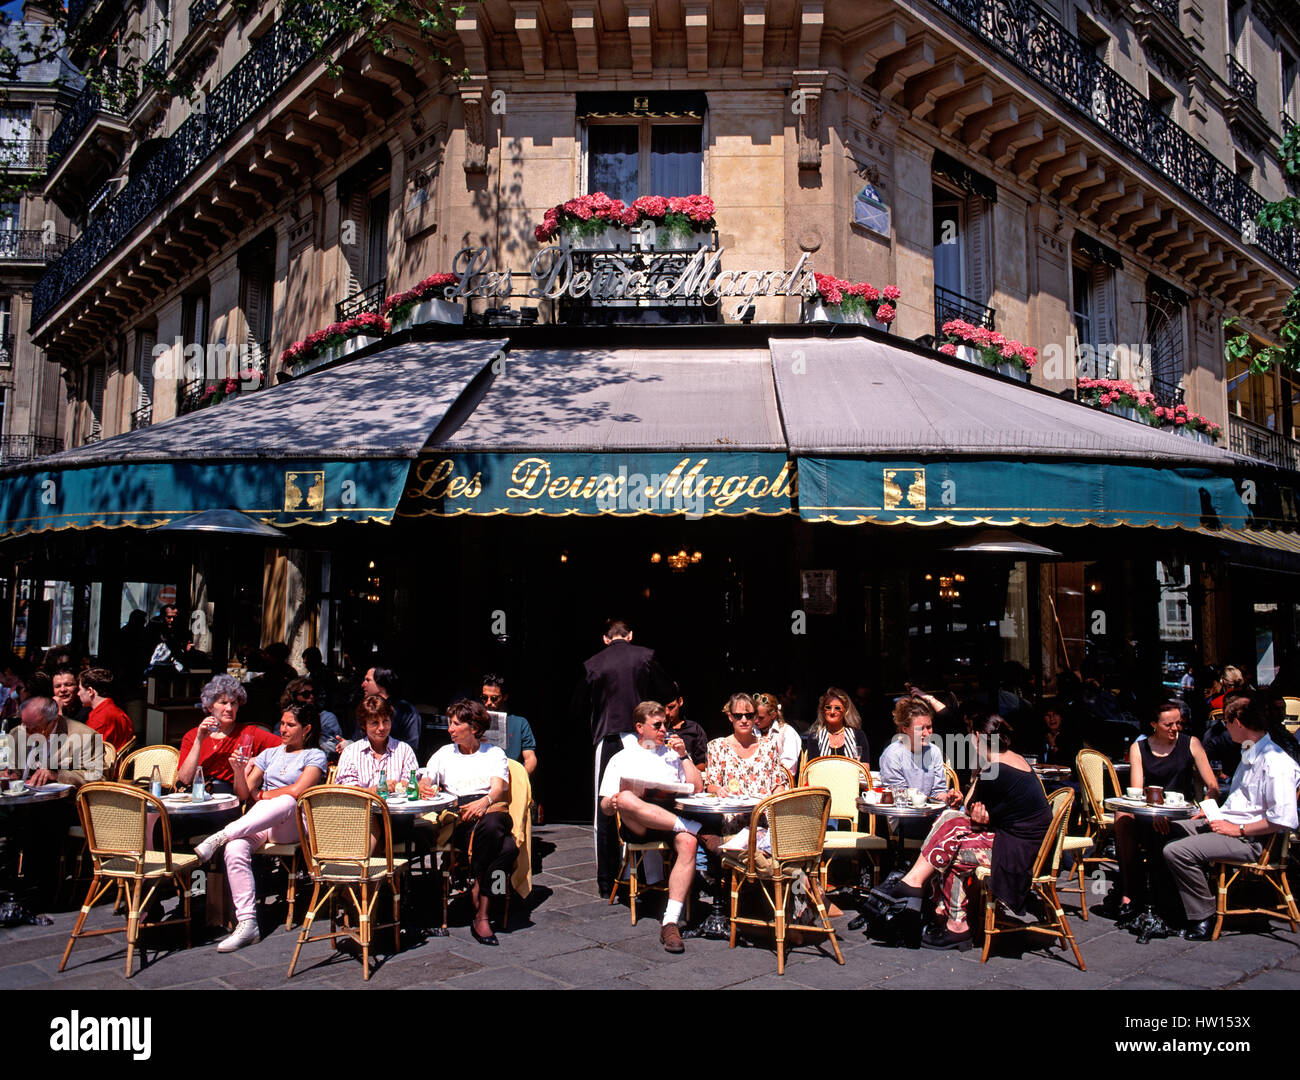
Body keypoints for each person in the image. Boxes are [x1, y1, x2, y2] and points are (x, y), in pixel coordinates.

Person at [880, 715, 1050, 951]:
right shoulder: (1013, 760)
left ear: (978, 737)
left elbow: (970, 809)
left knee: (952, 848)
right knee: (952, 820)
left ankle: (949, 918)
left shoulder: (995, 771)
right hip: (1020, 843)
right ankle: (936, 904)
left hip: (1015, 852)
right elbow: (974, 815)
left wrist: (976, 772)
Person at [1162, 694, 1300, 940]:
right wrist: (1212, 812)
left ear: (1238, 722)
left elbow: (1283, 818)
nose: (1225, 728)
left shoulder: (1275, 762)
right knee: (1170, 829)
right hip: (1233, 824)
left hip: (1254, 839)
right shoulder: (1250, 752)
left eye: (1227, 722)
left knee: (1176, 851)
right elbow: (1242, 801)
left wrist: (1239, 830)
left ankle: (1203, 915)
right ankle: (1174, 904)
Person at [193, 703, 326, 952]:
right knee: (234, 849)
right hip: (261, 821)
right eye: (282, 723)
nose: (283, 729)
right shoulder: (270, 754)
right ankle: (247, 922)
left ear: (306, 729)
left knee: (286, 800)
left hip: (293, 824)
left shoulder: (314, 755)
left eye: (291, 725)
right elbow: (244, 793)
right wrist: (238, 771)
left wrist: (263, 795)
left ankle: (219, 836)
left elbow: (297, 791)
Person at [574, 618, 675, 895]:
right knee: (647, 798)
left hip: (607, 739)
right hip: (640, 736)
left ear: (606, 639)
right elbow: (669, 691)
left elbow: (578, 704)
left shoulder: (593, 663)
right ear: (629, 635)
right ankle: (651, 876)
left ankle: (607, 882)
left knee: (606, 807)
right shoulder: (646, 656)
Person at [598, 701, 703, 954]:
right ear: (639, 727)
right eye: (657, 725)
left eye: (665, 724)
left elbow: (697, 788)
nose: (663, 730)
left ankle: (670, 921)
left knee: (689, 842)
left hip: (666, 819)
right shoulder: (621, 758)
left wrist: (684, 755)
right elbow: (604, 806)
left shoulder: (671, 754)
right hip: (638, 823)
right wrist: (612, 804)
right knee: (624, 798)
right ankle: (685, 825)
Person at [417, 699, 518, 946]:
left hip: (491, 808)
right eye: (450, 723)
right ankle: (486, 906)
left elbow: (497, 788)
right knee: (508, 849)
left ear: (473, 727)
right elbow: (426, 779)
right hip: (460, 815)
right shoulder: (444, 754)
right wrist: (423, 787)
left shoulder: (493, 753)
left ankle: (477, 888)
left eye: (455, 723)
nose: (449, 729)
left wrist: (483, 803)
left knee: (493, 825)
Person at [1108, 700, 1220, 923]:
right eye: (1168, 724)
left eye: (1178, 723)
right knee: (1122, 818)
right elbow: (1136, 793)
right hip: (1150, 812)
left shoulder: (1191, 743)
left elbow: (1213, 787)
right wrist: (1155, 815)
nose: (1175, 729)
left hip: (1182, 813)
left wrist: (1205, 809)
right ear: (1153, 724)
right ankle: (1129, 891)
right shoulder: (1139, 748)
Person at [0, 697, 103, 907]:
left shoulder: (83, 736)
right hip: (21, 801)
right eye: (25, 726)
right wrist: (8, 773)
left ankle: (39, 892)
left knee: (41, 818)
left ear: (52, 720)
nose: (27, 733)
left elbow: (97, 778)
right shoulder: (18, 733)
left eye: (34, 728)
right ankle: (8, 884)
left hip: (65, 805)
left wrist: (58, 775)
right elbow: (11, 767)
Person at [176, 675, 280, 795]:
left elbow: (286, 748)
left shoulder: (249, 733)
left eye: (234, 703)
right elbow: (185, 779)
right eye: (223, 702)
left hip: (228, 797)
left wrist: (256, 760)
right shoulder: (192, 735)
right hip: (195, 796)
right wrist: (199, 740)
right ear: (210, 706)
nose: (229, 708)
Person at [704, 694, 788, 798]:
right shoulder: (717, 747)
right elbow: (710, 785)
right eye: (738, 716)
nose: (744, 720)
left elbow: (777, 784)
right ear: (730, 717)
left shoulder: (768, 746)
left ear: (755, 717)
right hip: (730, 810)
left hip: (762, 811)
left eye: (749, 716)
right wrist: (719, 790)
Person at [879, 697, 959, 802]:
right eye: (920, 729)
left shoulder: (934, 751)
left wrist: (949, 798)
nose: (926, 733)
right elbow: (899, 796)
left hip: (931, 813)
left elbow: (938, 791)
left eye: (929, 727)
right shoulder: (893, 754)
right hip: (904, 814)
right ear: (904, 729)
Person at [336, 695, 420, 793]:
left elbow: (412, 784)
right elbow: (348, 792)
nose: (382, 727)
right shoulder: (351, 753)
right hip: (362, 808)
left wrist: (398, 785)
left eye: (385, 721)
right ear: (364, 725)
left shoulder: (404, 750)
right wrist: (376, 790)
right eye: (375, 723)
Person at [480, 674, 537, 776]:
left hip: (511, 776)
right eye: (484, 697)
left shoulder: (520, 723)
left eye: (494, 698)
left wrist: (519, 779)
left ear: (504, 697)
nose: (488, 702)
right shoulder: (475, 720)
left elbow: (530, 758)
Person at [802, 686, 871, 765]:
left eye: (837, 708)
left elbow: (864, 767)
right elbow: (813, 768)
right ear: (822, 710)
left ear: (845, 710)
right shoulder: (815, 737)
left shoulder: (858, 735)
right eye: (828, 707)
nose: (832, 712)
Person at [361, 666, 421, 751]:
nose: (363, 684)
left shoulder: (406, 711)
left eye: (368, 680)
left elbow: (411, 746)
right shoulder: (366, 708)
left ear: (381, 683)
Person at [282, 678, 342, 760]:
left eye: (314, 693)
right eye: (306, 694)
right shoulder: (284, 719)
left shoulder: (326, 718)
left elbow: (334, 746)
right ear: (293, 697)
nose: (311, 696)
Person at [78, 667, 134, 753]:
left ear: (90, 691)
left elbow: (87, 753)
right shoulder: (118, 712)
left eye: (80, 689)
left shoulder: (99, 718)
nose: (78, 694)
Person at [753, 692, 800, 773]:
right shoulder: (751, 731)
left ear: (773, 715)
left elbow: (788, 766)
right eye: (754, 716)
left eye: (761, 718)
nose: (756, 720)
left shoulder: (786, 732)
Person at [664, 686, 708, 768]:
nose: (667, 712)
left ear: (680, 701)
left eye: (671, 707)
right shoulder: (655, 730)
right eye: (663, 707)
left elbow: (703, 762)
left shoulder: (694, 729)